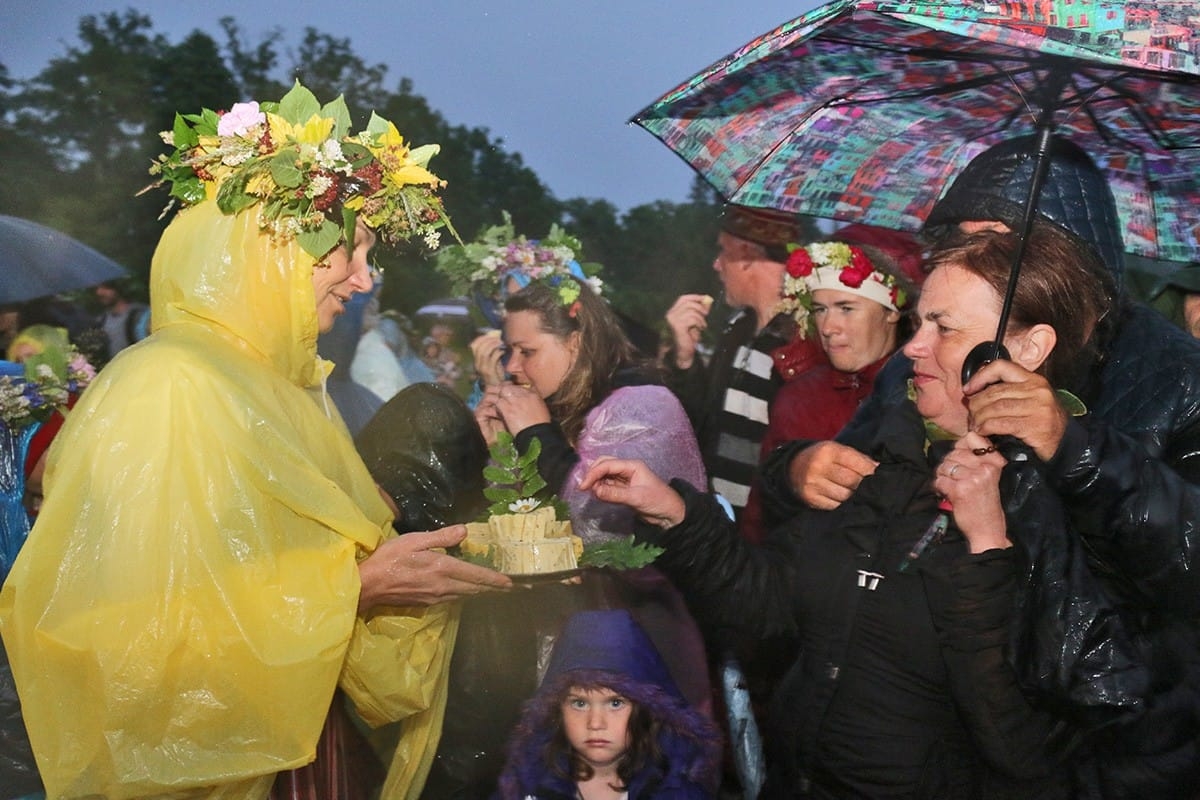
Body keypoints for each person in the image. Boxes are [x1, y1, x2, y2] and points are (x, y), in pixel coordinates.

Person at [0, 83, 513, 800]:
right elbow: (110, 634)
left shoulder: (285, 389)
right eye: (351, 253)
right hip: (220, 761)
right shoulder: (167, 385)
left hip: (293, 735)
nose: (365, 280)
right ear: (275, 249)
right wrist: (357, 590)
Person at [580, 224, 1144, 798]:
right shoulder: (890, 451)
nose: (914, 345)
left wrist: (986, 548)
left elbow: (1024, 751)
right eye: (920, 321)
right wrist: (673, 511)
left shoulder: (1073, 511)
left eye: (942, 327)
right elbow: (773, 600)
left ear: (1027, 348)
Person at [760, 133, 1200, 797]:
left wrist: (1069, 443)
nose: (967, 252)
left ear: (1061, 253)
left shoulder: (1177, 375)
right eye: (959, 233)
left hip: (1113, 748)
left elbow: (1185, 562)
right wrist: (796, 471)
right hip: (932, 734)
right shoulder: (929, 357)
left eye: (994, 234)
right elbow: (855, 489)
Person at [661, 205, 822, 530]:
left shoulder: (805, 338)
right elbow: (701, 427)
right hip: (719, 527)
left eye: (723, 250)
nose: (716, 264)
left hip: (764, 535)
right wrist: (684, 359)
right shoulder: (738, 328)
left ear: (747, 254)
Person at [495, 609, 722, 800]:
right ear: (556, 709)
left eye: (615, 703)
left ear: (645, 709)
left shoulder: (675, 790)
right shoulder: (527, 788)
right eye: (580, 703)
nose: (595, 723)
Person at [93, 279, 149, 361]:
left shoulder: (140, 315)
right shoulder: (101, 321)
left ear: (117, 288)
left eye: (105, 287)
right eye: (97, 289)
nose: (99, 292)